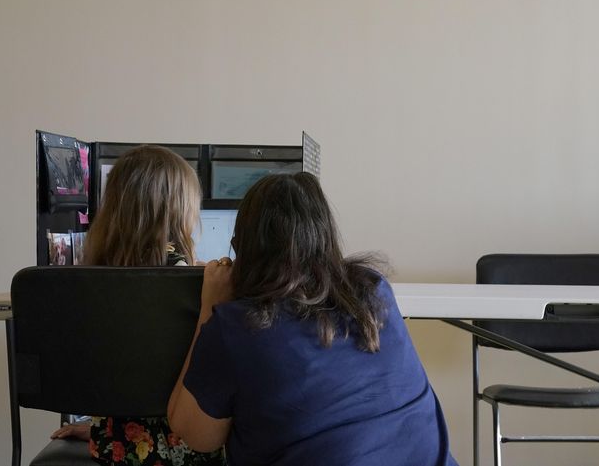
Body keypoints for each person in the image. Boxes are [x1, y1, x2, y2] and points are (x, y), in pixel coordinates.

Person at [168, 173, 459, 466]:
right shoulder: (374, 290)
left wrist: (210, 308)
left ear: (241, 246)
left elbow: (195, 434)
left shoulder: (239, 327)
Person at [50, 145, 227, 466]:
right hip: (184, 445)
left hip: (113, 442)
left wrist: (99, 426)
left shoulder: (88, 279)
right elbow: (204, 369)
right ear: (178, 209)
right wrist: (209, 304)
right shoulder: (187, 282)